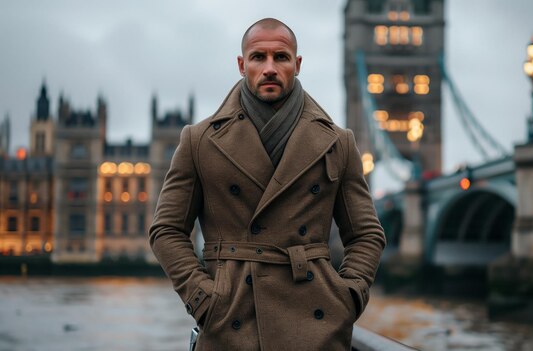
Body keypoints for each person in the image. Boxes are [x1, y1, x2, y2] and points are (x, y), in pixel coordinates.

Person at [149, 18, 385, 351]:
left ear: (297, 65)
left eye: (281, 57)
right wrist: (204, 300)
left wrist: (347, 298)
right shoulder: (198, 140)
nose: (270, 68)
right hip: (229, 323)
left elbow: (366, 234)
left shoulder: (338, 142)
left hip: (317, 326)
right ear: (242, 65)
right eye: (259, 57)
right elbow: (166, 230)